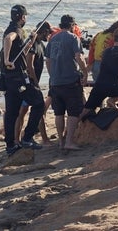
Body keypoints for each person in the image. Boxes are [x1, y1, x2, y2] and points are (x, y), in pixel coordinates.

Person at [0, 5, 46, 156]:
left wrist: (30, 42)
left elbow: (21, 54)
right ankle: (27, 138)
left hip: (9, 79)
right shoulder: (16, 30)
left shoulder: (11, 28)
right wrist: (7, 59)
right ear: (22, 17)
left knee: (12, 112)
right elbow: (8, 39)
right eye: (25, 16)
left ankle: (11, 145)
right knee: (39, 103)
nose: (25, 19)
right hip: (19, 79)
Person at [46, 14, 89, 151]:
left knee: (59, 113)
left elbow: (48, 60)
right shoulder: (73, 38)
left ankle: (60, 141)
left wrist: (52, 75)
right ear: (72, 25)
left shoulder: (53, 39)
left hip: (55, 81)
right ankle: (69, 141)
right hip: (70, 80)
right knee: (73, 112)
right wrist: (85, 72)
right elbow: (79, 57)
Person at [15, 21, 53, 144]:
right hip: (29, 82)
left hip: (29, 82)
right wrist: (35, 81)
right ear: (44, 31)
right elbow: (29, 63)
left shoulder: (40, 44)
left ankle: (22, 139)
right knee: (35, 108)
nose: (49, 36)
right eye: (48, 33)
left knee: (24, 111)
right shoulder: (34, 44)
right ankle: (20, 139)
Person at [87, 17, 118, 82]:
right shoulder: (114, 38)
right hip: (106, 67)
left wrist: (89, 66)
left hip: (96, 65)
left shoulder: (99, 34)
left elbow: (91, 51)